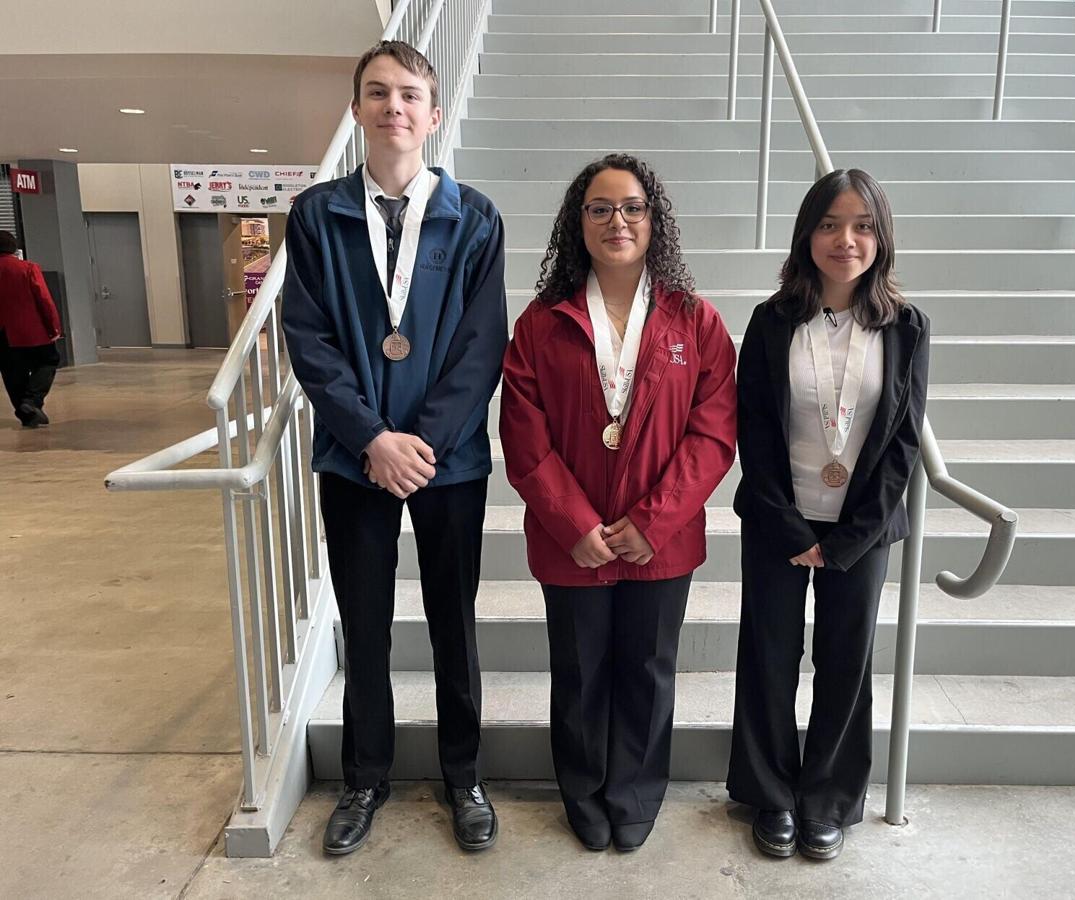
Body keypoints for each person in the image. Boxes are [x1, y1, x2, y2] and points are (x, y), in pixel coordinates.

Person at [281, 40, 506, 856]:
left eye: (410, 94)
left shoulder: (474, 217)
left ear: (434, 113)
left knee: (456, 623)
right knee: (366, 626)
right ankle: (365, 777)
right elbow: (307, 340)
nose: (394, 107)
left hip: (450, 466)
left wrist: (421, 446)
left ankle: (464, 776)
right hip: (354, 460)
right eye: (377, 93)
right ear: (357, 110)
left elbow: (482, 348)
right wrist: (372, 437)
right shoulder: (315, 215)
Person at [500, 154, 737, 852]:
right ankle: (583, 790)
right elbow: (523, 433)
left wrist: (654, 521)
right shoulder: (542, 323)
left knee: (646, 669)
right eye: (599, 208)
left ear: (654, 219)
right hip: (569, 540)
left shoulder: (695, 321)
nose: (617, 221)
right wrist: (574, 523)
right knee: (578, 672)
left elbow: (714, 431)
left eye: (632, 207)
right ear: (579, 223)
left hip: (659, 541)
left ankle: (634, 793)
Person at [726, 169, 930, 861]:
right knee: (769, 654)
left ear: (882, 237)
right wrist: (788, 526)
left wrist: (848, 539)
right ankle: (770, 794)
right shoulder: (771, 320)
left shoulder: (906, 327)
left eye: (863, 226)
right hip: (779, 517)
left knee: (847, 660)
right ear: (807, 233)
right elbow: (752, 428)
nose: (846, 240)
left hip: (862, 529)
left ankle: (830, 799)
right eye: (830, 224)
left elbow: (903, 444)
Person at [0, 230, 62, 427]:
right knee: (48, 362)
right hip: (31, 332)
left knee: (11, 372)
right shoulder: (27, 268)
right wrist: (54, 328)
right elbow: (44, 300)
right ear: (14, 248)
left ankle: (27, 414)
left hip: (2, 335)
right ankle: (32, 401)